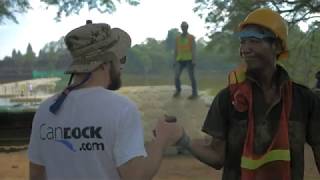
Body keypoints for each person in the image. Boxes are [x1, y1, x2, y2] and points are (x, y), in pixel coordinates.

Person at [173, 8, 320, 180]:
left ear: (277, 46)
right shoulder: (228, 98)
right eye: (242, 42)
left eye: (254, 40)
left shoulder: (304, 99)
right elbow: (216, 156)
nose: (245, 49)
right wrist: (183, 139)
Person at [28, 21, 183, 180]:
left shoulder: (45, 109)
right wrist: (162, 139)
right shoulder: (122, 109)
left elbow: (36, 174)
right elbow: (135, 175)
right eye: (120, 59)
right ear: (104, 63)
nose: (122, 66)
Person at [173, 21, 198, 99]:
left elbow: (193, 49)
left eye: (185, 27)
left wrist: (194, 60)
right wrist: (174, 60)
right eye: (182, 27)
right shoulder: (178, 38)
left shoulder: (191, 37)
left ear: (187, 27)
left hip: (189, 59)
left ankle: (194, 93)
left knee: (191, 77)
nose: (183, 28)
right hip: (180, 59)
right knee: (176, 76)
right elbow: (176, 50)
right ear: (181, 28)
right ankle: (178, 90)